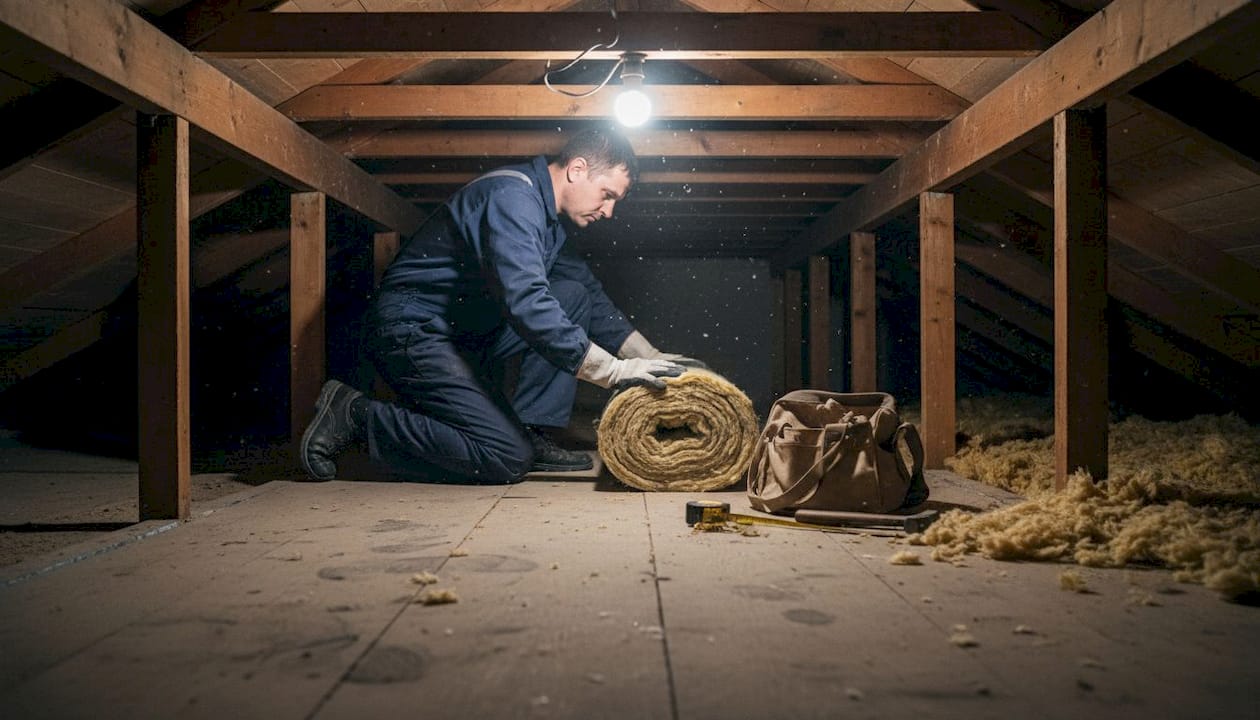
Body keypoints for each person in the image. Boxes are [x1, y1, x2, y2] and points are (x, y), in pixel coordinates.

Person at [298, 127, 702, 484]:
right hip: (412, 332)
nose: (609, 211)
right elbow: (527, 302)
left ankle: (532, 430)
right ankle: (356, 415)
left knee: (573, 296)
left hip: (459, 334)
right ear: (578, 170)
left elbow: (589, 296)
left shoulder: (547, 218)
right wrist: (613, 371)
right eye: (607, 194)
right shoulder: (513, 198)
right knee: (504, 457)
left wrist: (649, 357)